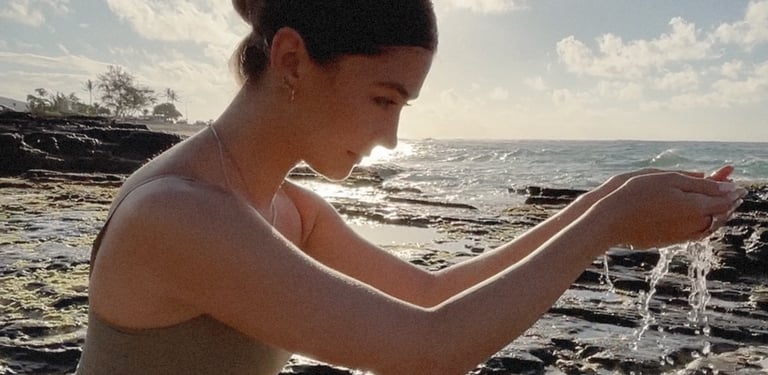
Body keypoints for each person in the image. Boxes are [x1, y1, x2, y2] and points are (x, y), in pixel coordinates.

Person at [75, 0, 746, 374]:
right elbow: (426, 347)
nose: (391, 136)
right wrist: (607, 224)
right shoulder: (178, 214)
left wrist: (606, 199)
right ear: (291, 60)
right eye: (383, 98)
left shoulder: (288, 210)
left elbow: (431, 293)